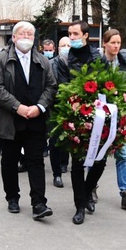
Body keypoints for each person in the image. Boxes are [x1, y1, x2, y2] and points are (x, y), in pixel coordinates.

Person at [0, 21, 56, 220]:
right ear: (14, 37)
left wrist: (39, 107)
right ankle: (12, 197)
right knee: (9, 160)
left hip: (35, 119)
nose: (26, 37)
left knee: (36, 161)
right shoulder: (1, 60)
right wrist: (18, 107)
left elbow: (51, 87)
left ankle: (39, 203)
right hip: (10, 119)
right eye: (22, 34)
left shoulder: (43, 61)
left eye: (30, 34)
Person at [56, 20, 107, 224]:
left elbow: (104, 83)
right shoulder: (64, 59)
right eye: (70, 34)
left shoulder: (98, 57)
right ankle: (79, 206)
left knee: (99, 160)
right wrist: (74, 101)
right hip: (74, 113)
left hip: (97, 113)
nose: (72, 37)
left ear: (86, 35)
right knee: (77, 163)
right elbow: (62, 86)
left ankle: (86, 193)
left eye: (76, 34)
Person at [102, 29, 126, 209]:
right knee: (96, 154)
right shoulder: (97, 62)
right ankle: (91, 187)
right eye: (113, 43)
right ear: (105, 43)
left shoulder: (125, 63)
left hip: (120, 114)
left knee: (122, 155)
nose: (116, 46)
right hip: (101, 115)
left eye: (118, 43)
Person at [47, 36, 71, 187]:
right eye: (63, 45)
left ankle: (65, 163)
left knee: (70, 139)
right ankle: (57, 174)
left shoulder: (77, 63)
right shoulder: (51, 64)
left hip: (73, 107)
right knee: (55, 141)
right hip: (55, 108)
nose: (66, 47)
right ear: (58, 48)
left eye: (68, 45)